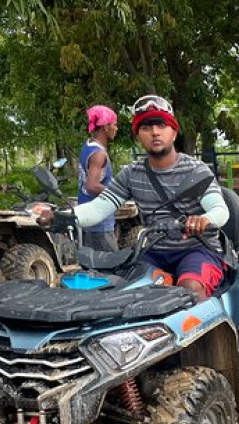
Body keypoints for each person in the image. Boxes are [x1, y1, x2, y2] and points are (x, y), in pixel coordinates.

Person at [42, 95, 229, 301]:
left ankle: (204, 333)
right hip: (154, 251)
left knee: (190, 289)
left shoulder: (196, 170)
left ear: (174, 132)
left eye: (161, 125)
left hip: (197, 250)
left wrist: (205, 220)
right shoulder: (132, 174)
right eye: (146, 127)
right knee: (126, 293)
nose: (155, 132)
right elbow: (98, 209)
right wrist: (60, 215)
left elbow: (220, 210)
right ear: (138, 136)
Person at [78, 105, 120, 251]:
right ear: (105, 127)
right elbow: (92, 185)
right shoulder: (98, 154)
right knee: (112, 267)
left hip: (87, 216)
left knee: (91, 268)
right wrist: (118, 193)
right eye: (114, 124)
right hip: (100, 222)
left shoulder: (88, 146)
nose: (116, 128)